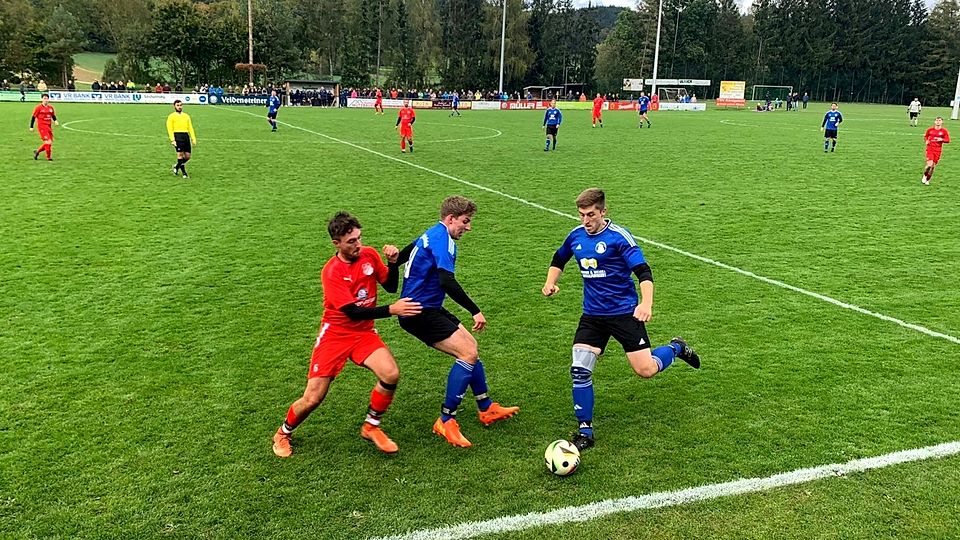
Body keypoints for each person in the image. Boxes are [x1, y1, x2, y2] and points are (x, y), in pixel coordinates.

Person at [541, 188, 700, 451]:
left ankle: (676, 348)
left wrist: (646, 303)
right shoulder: (576, 236)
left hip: (624, 313)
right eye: (581, 215)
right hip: (592, 316)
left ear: (603, 212)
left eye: (591, 214)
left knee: (645, 370)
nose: (585, 220)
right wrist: (550, 282)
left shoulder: (619, 237)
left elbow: (643, 271)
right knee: (580, 370)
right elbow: (559, 258)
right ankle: (585, 431)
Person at [272, 212, 422, 458]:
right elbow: (352, 312)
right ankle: (283, 433)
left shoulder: (370, 255)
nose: (358, 244)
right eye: (351, 241)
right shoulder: (331, 272)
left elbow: (390, 286)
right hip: (336, 335)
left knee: (391, 373)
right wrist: (391, 309)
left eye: (359, 238)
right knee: (313, 397)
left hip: (363, 334)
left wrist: (393, 262)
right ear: (337, 243)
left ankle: (371, 426)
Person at [392, 196, 519, 448]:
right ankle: (446, 419)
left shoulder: (429, 233)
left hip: (427, 307)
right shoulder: (443, 241)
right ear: (451, 219)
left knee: (471, 346)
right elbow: (446, 281)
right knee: (467, 353)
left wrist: (392, 257)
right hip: (418, 312)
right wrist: (475, 311)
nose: (468, 227)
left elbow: (401, 258)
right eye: (465, 221)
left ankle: (486, 407)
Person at [166, 100, 197, 178]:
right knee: (180, 155)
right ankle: (184, 173)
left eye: (181, 105)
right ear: (174, 106)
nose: (179, 107)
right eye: (178, 105)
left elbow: (190, 127)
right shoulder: (171, 116)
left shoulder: (186, 116)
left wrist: (193, 138)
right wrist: (172, 140)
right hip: (177, 136)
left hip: (185, 136)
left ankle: (176, 166)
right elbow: (169, 128)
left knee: (187, 156)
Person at [921, 116, 950, 185]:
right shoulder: (930, 130)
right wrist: (926, 140)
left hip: (938, 151)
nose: (938, 122)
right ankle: (925, 175)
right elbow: (925, 136)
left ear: (942, 122)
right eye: (937, 120)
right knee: (929, 165)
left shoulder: (944, 131)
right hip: (930, 149)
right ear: (934, 121)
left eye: (939, 120)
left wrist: (941, 140)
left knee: (933, 167)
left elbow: (948, 140)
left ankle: (928, 179)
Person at [30, 93, 59, 161]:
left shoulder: (50, 108)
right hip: (42, 127)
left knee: (49, 142)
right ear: (42, 99)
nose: (46, 100)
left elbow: (53, 115)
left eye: (47, 98)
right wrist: (31, 126)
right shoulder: (38, 108)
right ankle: (48, 157)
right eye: (44, 98)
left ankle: (37, 151)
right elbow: (33, 117)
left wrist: (55, 121)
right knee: (48, 142)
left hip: (49, 126)